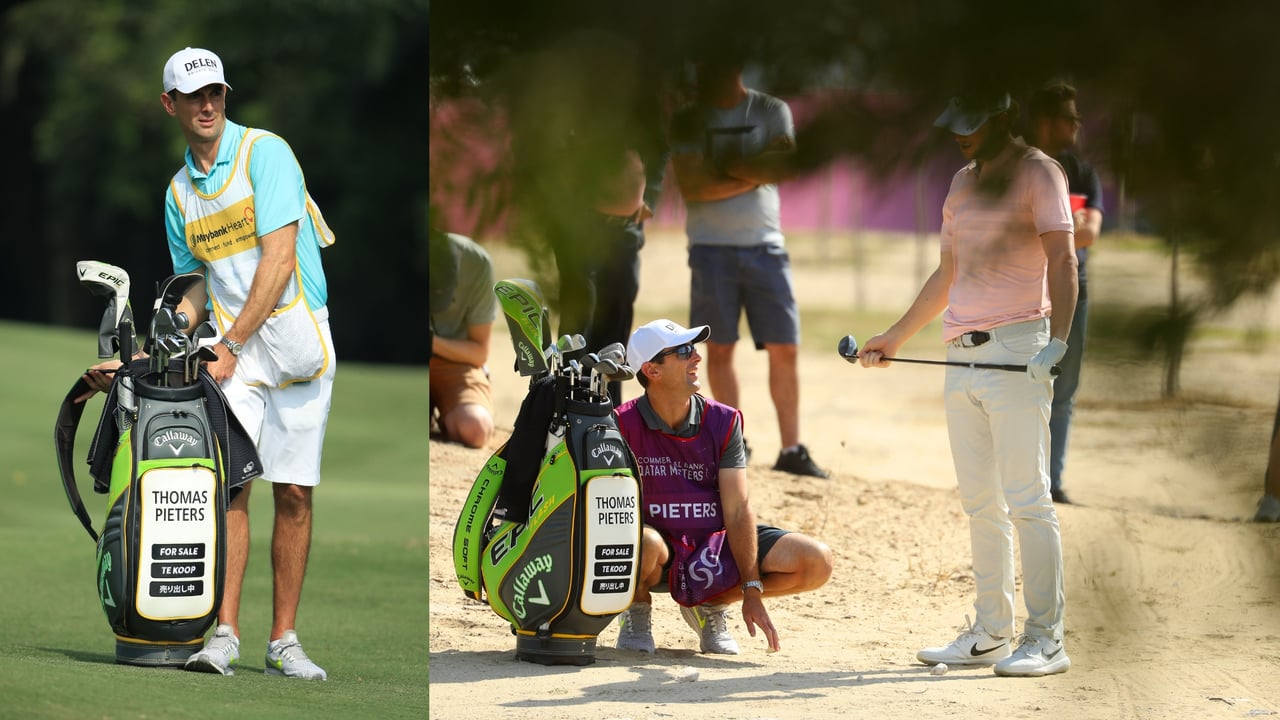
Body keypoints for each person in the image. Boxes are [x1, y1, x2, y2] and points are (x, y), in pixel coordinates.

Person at [86, 47, 336, 680]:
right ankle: (224, 632)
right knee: (229, 487)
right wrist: (149, 354)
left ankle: (284, 641)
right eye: (194, 96)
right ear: (170, 104)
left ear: (226, 96)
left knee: (297, 495)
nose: (207, 106)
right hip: (235, 356)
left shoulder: (266, 153)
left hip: (298, 344)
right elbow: (193, 289)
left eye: (216, 93)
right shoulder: (177, 192)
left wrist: (227, 344)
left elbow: (278, 263)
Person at [858, 92, 1077, 677]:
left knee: (1028, 499)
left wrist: (1057, 342)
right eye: (952, 124)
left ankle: (1047, 640)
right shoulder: (960, 181)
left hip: (1019, 350)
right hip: (961, 354)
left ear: (1002, 116)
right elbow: (947, 272)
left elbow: (1064, 259)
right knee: (982, 503)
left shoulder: (1039, 172)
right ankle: (990, 634)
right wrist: (897, 336)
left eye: (970, 123)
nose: (959, 134)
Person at [611, 318, 833, 655]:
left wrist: (752, 589)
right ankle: (636, 612)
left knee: (816, 561)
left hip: (713, 550)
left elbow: (737, 507)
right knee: (643, 541)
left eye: (694, 348)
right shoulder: (619, 424)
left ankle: (709, 605)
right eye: (684, 351)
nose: (697, 357)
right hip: (656, 554)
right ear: (652, 370)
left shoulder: (724, 420)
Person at [668, 56, 827, 478]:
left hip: (766, 246)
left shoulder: (771, 111)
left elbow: (787, 167)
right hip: (709, 248)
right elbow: (691, 186)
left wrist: (722, 166)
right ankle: (733, 443)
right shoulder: (688, 120)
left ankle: (791, 449)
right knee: (718, 350)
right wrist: (755, 168)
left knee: (785, 347)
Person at [1028, 83, 1105, 505]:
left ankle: (1050, 483)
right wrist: (1066, 221)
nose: (1078, 124)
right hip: (1022, 290)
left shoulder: (1082, 171)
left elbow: (1091, 233)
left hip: (1075, 292)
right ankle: (1020, 478)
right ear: (1046, 121)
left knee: (1064, 390)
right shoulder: (1018, 165)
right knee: (1017, 387)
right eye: (1069, 117)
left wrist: (1048, 226)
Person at [429, 228, 497, 448]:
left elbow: (479, 352)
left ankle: (442, 414)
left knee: (476, 428)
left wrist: (430, 342)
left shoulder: (476, 263)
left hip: (455, 361)